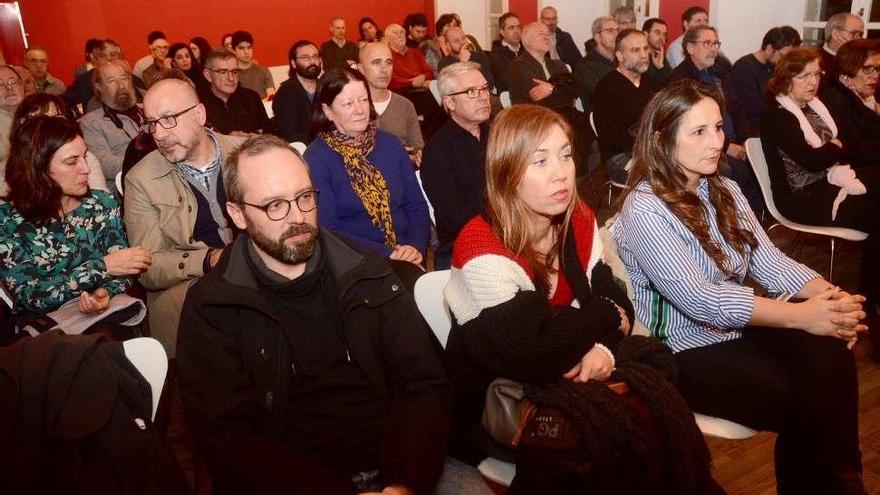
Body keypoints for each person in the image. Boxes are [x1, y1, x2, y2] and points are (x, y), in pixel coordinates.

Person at [445, 103, 721, 493]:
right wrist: (601, 316)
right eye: (539, 161)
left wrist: (603, 350)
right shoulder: (480, 245)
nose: (561, 173)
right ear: (506, 173)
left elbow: (619, 303)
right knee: (605, 433)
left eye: (565, 155)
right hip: (499, 398)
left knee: (655, 376)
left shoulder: (577, 219)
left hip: (568, 365)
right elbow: (532, 351)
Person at [613, 79, 869, 495]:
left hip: (736, 328)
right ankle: (842, 483)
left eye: (718, 127)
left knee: (828, 347)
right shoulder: (645, 207)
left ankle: (842, 480)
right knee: (808, 398)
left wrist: (833, 299)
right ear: (661, 140)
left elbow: (771, 263)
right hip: (684, 349)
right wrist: (803, 314)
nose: (716, 141)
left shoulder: (725, 190)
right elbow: (702, 301)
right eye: (699, 132)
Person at [176, 133, 464, 495]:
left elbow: (423, 384)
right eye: (275, 206)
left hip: (401, 464)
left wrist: (402, 483)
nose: (297, 217)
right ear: (238, 214)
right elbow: (229, 442)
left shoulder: (371, 273)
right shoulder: (213, 307)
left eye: (304, 198)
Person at [762, 49, 880, 361]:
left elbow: (848, 145)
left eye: (817, 75)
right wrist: (835, 149)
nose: (813, 82)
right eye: (805, 76)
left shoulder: (815, 106)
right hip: (799, 199)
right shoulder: (778, 114)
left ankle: (872, 297)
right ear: (786, 80)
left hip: (825, 184)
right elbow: (811, 160)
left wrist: (834, 149)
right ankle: (872, 303)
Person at [124, 78, 245, 357]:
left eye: (168, 119)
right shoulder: (141, 180)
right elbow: (149, 268)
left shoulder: (246, 152)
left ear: (199, 115)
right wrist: (210, 260)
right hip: (191, 290)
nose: (159, 134)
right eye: (152, 123)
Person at [0, 116, 150, 333]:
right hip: (46, 329)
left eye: (85, 156)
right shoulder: (7, 221)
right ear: (37, 168)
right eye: (72, 162)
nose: (86, 169)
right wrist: (101, 267)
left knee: (112, 334)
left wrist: (105, 294)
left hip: (106, 316)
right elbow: (30, 296)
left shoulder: (101, 205)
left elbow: (122, 269)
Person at [303, 67, 430, 265]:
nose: (360, 110)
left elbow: (416, 204)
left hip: (409, 254)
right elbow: (328, 230)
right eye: (348, 104)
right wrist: (389, 253)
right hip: (356, 261)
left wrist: (415, 246)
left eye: (363, 100)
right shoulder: (317, 158)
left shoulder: (390, 144)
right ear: (328, 111)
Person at [668, 25, 762, 213]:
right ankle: (731, 219)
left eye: (715, 43)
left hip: (733, 142)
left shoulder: (720, 73)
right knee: (738, 171)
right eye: (707, 43)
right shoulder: (680, 79)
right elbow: (693, 125)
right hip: (705, 144)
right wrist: (727, 147)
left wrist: (746, 140)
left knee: (759, 161)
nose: (713, 48)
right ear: (690, 48)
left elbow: (737, 108)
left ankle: (753, 220)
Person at [421, 62, 490, 269]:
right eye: (471, 91)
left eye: (485, 89)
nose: (483, 96)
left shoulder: (499, 134)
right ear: (450, 102)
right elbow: (455, 218)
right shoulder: (437, 151)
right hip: (464, 249)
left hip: (511, 235)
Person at [593, 29, 662, 184]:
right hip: (621, 156)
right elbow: (614, 136)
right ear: (620, 56)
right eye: (635, 50)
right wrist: (650, 153)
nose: (644, 55)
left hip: (652, 150)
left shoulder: (652, 83)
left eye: (645, 49)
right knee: (667, 176)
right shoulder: (607, 87)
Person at [7, 93, 108, 193]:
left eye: (57, 118)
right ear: (23, 125)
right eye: (41, 118)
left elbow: (102, 199)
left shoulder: (85, 158)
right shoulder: (9, 168)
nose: (51, 126)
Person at [77, 59, 143, 191]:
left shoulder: (148, 110)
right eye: (112, 81)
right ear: (99, 86)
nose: (121, 85)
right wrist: (149, 161)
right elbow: (105, 165)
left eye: (124, 78)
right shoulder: (91, 122)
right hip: (127, 187)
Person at [730, 26, 801, 141]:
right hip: (753, 132)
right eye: (783, 56)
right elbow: (751, 109)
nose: (785, 61)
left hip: (769, 126)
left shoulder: (773, 67)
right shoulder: (744, 68)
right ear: (769, 48)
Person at [358, 42, 424, 164]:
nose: (384, 69)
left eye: (389, 63)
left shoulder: (405, 105)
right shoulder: (352, 107)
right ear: (361, 69)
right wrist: (393, 153)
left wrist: (415, 158)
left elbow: (418, 150)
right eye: (376, 62)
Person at [821, 38, 880, 169]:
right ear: (846, 74)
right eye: (868, 69)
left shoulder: (869, 94)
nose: (875, 75)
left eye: (878, 69)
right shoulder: (835, 100)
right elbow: (852, 153)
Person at [200, 49, 270, 135]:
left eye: (234, 72)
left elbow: (270, 134)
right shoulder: (199, 105)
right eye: (223, 72)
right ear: (208, 75)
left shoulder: (251, 98)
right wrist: (228, 140)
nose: (231, 78)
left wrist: (259, 139)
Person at [274, 40, 321, 144]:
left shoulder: (326, 88)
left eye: (315, 56)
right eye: (305, 58)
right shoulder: (286, 93)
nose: (312, 61)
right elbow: (291, 136)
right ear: (293, 63)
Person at [574, 16, 619, 118]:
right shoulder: (586, 66)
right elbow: (601, 97)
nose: (616, 35)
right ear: (597, 37)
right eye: (610, 31)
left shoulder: (621, 60)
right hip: (600, 118)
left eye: (617, 30)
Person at [438, 26, 495, 91]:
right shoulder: (443, 64)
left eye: (463, 38)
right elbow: (449, 89)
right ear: (448, 45)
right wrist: (463, 64)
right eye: (456, 41)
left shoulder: (480, 57)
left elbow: (489, 84)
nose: (462, 42)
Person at [819, 12, 865, 88]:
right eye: (854, 33)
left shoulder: (861, 61)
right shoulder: (817, 61)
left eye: (860, 34)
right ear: (836, 34)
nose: (858, 38)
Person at [0, 65, 24, 193]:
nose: (9, 87)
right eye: (0, 84)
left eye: (12, 81)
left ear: (22, 86)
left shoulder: (39, 114)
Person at [231, 30, 276, 99]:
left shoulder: (263, 70)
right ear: (234, 50)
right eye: (241, 48)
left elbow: (271, 96)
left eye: (249, 48)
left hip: (264, 107)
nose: (246, 52)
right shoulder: (231, 74)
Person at [490, 12, 522, 92]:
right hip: (509, 98)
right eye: (511, 28)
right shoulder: (496, 55)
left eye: (518, 27)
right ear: (502, 32)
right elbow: (509, 82)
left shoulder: (527, 49)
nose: (516, 31)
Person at [643, 18, 672, 83]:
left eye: (664, 35)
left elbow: (671, 84)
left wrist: (661, 67)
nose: (662, 38)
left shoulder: (660, 55)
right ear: (645, 34)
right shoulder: (639, 56)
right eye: (657, 33)